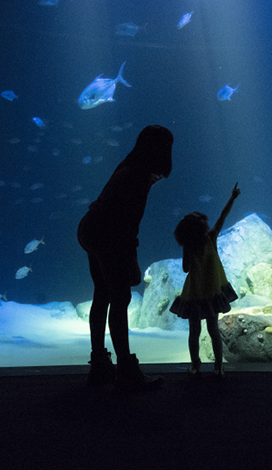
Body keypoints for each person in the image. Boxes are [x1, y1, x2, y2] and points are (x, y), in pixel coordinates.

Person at [77, 124, 173, 391]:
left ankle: (99, 366)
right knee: (120, 298)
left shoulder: (128, 166)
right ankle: (126, 372)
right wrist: (131, 260)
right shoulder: (138, 176)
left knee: (102, 296)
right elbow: (128, 223)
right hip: (107, 234)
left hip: (90, 228)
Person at [169, 182, 241, 378]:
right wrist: (232, 198)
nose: (208, 223)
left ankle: (196, 365)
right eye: (204, 222)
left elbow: (185, 269)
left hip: (194, 292)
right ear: (201, 227)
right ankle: (218, 366)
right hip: (211, 291)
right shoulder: (211, 237)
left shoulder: (188, 246)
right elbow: (222, 217)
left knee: (194, 331)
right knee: (212, 329)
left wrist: (188, 252)